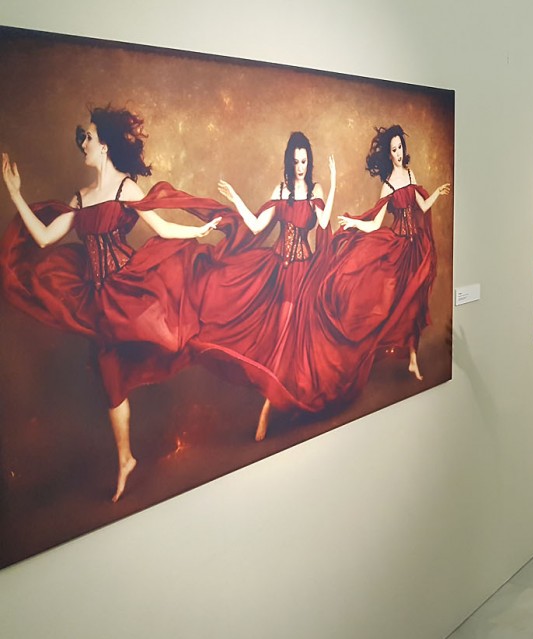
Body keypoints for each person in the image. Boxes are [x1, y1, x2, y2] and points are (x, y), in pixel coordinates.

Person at [0, 106, 222, 502]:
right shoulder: (80, 198)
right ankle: (126, 459)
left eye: (88, 137)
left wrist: (199, 230)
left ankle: (207, 342)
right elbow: (45, 238)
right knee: (110, 381)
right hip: (96, 300)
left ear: (103, 145)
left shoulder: (125, 190)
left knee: (172, 339)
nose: (82, 143)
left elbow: (162, 228)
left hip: (129, 288)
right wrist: (15, 194)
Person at [195, 131, 336, 441]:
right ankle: (277, 402)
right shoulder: (281, 189)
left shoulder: (316, 190)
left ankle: (270, 408)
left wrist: (335, 180)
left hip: (303, 274)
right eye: (296, 161)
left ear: (309, 161)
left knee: (292, 340)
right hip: (277, 271)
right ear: (289, 161)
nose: (300, 167)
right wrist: (236, 198)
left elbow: (325, 224)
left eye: (304, 161)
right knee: (278, 339)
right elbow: (258, 225)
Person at [337, 124, 450, 381]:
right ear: (389, 154)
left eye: (400, 148)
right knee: (392, 305)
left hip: (415, 248)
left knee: (415, 304)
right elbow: (375, 224)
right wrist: (354, 223)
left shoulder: (410, 174)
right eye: (394, 149)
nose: (398, 153)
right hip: (397, 249)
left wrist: (436, 193)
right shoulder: (387, 186)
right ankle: (366, 351)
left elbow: (422, 206)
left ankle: (413, 360)